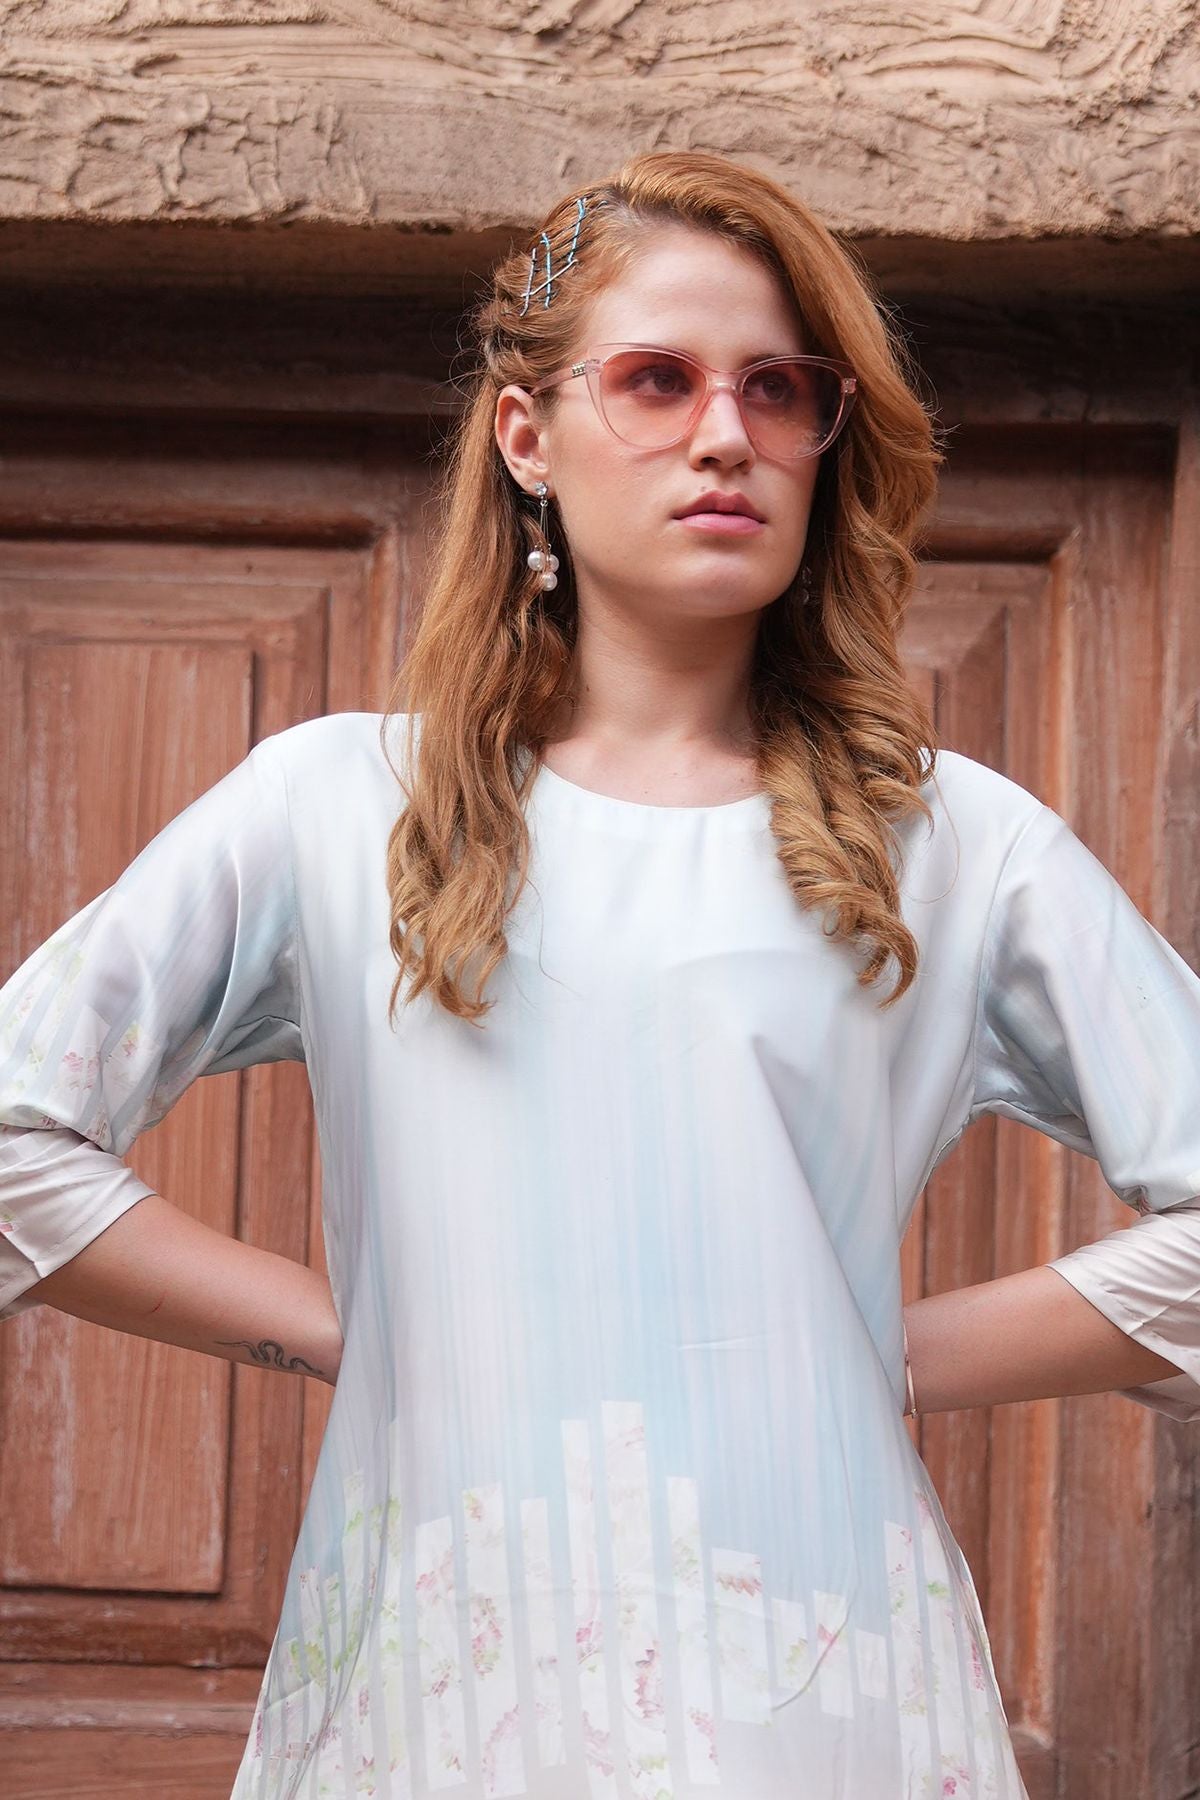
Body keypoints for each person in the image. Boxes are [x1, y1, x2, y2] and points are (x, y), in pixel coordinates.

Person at [2, 149, 1199, 1800]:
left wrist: (879, 1349)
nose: (726, 435)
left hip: (821, 1702)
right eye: (657, 380)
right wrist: (346, 1330)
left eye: (779, 390)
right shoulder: (336, 807)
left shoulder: (956, 847)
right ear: (526, 436)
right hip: (434, 1699)